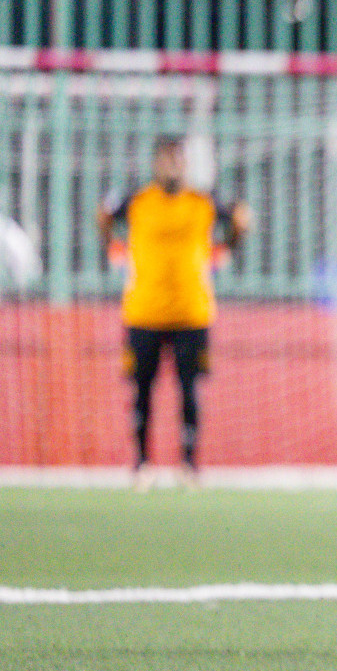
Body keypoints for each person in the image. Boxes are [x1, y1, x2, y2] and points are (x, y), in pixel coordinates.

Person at [98, 136, 249, 489]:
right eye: (165, 159)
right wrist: (115, 248)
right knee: (142, 390)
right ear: (155, 163)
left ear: (185, 164)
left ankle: (189, 465)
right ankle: (141, 464)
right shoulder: (137, 201)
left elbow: (241, 218)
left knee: (190, 389)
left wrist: (224, 249)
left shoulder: (203, 202)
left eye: (177, 160)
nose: (172, 166)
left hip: (191, 312)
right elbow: (102, 214)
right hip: (143, 311)